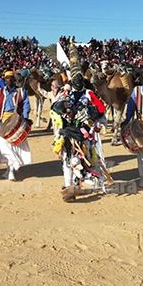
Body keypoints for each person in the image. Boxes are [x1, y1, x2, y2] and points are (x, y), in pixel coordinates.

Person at [51, 68, 107, 200]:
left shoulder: (89, 94)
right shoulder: (65, 93)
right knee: (67, 160)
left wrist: (97, 123)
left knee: (89, 159)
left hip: (84, 132)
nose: (77, 82)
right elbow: (54, 108)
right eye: (74, 80)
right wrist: (65, 110)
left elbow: (100, 110)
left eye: (79, 80)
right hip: (68, 132)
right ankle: (69, 188)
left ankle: (96, 183)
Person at [0, 70, 31, 181]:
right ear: (4, 80)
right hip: (3, 120)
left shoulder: (21, 92)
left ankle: (10, 171)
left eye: (11, 78)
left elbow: (26, 105)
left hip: (15, 121)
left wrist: (25, 118)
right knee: (0, 142)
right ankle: (12, 165)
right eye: (7, 78)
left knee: (12, 145)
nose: (9, 80)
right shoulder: (0, 92)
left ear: (14, 80)